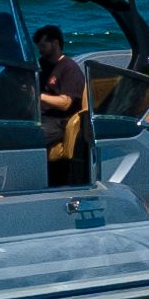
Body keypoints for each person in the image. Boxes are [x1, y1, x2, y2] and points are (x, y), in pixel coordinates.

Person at [33, 25, 91, 187]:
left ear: (56, 43)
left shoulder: (69, 68)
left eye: (43, 46)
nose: (40, 51)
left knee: (28, 138)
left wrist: (38, 97)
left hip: (58, 121)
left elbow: (65, 103)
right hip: (38, 116)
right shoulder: (42, 66)